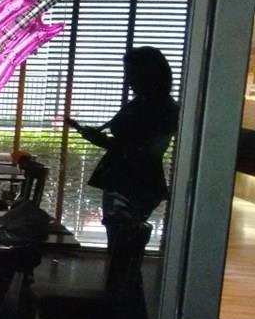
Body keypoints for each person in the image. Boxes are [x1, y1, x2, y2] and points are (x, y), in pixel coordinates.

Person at [71, 46, 179, 229]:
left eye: (131, 74)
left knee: (122, 236)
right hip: (129, 182)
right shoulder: (145, 103)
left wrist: (101, 140)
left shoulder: (159, 108)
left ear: (147, 75)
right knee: (121, 236)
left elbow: (146, 151)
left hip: (133, 183)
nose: (128, 81)